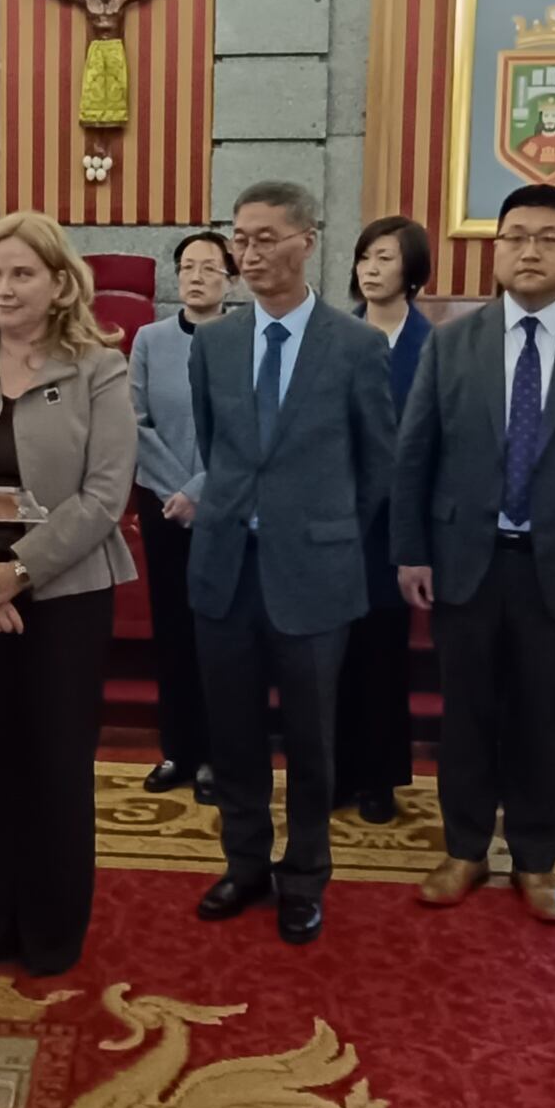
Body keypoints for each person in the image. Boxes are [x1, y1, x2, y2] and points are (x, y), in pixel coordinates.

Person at [393, 185, 555, 924]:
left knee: (544, 718)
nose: (530, 250)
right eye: (515, 237)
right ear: (496, 249)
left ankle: (538, 859)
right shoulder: (451, 340)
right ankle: (466, 848)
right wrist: (411, 551)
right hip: (464, 560)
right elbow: (414, 455)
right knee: (466, 713)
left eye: (548, 237)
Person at [0, 210, 138, 976]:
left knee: (54, 764)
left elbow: (104, 496)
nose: (4, 288)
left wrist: (18, 572)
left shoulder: (99, 368)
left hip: (66, 597)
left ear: (60, 283)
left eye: (22, 273)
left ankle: (50, 930)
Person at [187, 180, 395, 947]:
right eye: (242, 238)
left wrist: (320, 526)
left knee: (311, 739)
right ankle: (244, 864)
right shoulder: (212, 344)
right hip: (225, 568)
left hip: (315, 571)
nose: (250, 252)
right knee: (232, 735)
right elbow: (216, 449)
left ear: (309, 239)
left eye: (267, 237)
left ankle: (305, 875)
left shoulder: (357, 345)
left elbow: (378, 465)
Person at [131, 232, 234, 802]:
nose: (196, 277)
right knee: (171, 626)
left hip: (223, 501)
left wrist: (202, 488)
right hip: (161, 501)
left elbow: (245, 427)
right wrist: (176, 490)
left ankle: (220, 754)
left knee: (218, 631)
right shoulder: (150, 338)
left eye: (209, 268)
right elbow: (135, 419)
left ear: (230, 279)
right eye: (187, 267)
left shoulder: (245, 340)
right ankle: (179, 748)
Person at [338, 215, 434, 825]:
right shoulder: (336, 337)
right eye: (365, 258)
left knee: (382, 652)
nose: (371, 270)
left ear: (413, 271)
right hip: (337, 518)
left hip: (397, 524)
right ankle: (336, 770)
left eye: (386, 259)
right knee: (332, 652)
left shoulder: (435, 345)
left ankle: (378, 777)